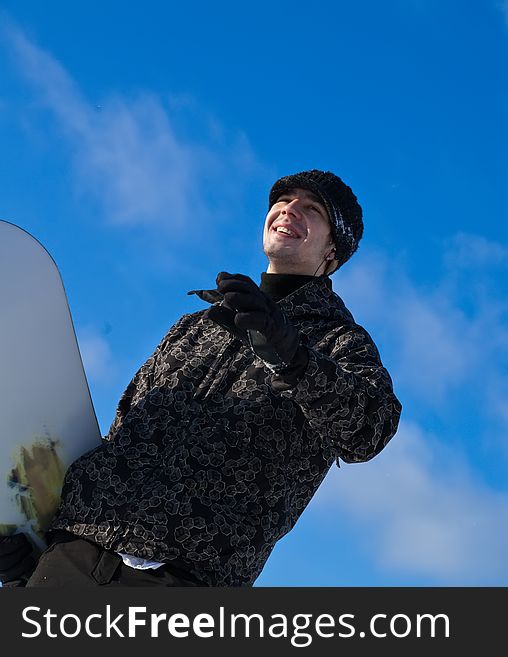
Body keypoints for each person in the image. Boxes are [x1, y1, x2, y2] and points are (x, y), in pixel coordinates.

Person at [0, 169, 402, 587]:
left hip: (187, 578)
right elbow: (121, 432)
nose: (290, 209)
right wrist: (34, 559)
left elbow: (368, 431)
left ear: (333, 250)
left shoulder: (337, 341)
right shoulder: (196, 326)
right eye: (283, 201)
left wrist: (293, 358)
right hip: (77, 552)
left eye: (312, 208)